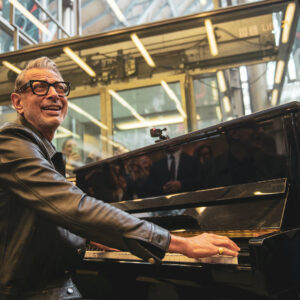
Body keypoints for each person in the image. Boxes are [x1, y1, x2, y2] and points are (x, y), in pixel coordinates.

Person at [0, 56, 239, 299]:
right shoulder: (10, 143)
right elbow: (74, 207)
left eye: (60, 87)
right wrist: (180, 243)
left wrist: (96, 235)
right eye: (40, 87)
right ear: (17, 102)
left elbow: (51, 219)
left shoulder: (39, 147)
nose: (54, 94)